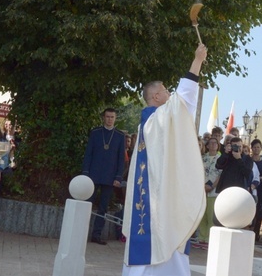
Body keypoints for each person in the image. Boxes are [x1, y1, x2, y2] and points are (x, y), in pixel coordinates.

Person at [122, 44, 207, 276]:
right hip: (158, 202)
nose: (170, 93)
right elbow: (184, 100)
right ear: (156, 96)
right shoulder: (156, 120)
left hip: (159, 195)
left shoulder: (149, 123)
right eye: (166, 90)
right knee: (164, 237)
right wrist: (197, 61)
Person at [82, 107, 127, 245]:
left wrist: (118, 177)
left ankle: (96, 234)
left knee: (103, 207)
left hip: (110, 176)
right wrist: (85, 173)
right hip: (93, 174)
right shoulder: (95, 133)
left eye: (112, 117)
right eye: (107, 117)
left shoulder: (120, 136)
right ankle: (81, 232)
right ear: (103, 117)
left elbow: (121, 159)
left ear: (115, 118)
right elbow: (88, 154)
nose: (109, 119)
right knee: (87, 204)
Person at [195, 137, 221, 249]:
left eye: (215, 143)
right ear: (207, 145)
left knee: (211, 216)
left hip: (213, 191)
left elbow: (220, 174)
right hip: (202, 190)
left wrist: (212, 186)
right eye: (211, 143)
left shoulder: (220, 158)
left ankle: (209, 239)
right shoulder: (203, 158)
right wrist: (202, 186)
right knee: (203, 215)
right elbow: (198, 172)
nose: (213, 145)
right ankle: (201, 238)